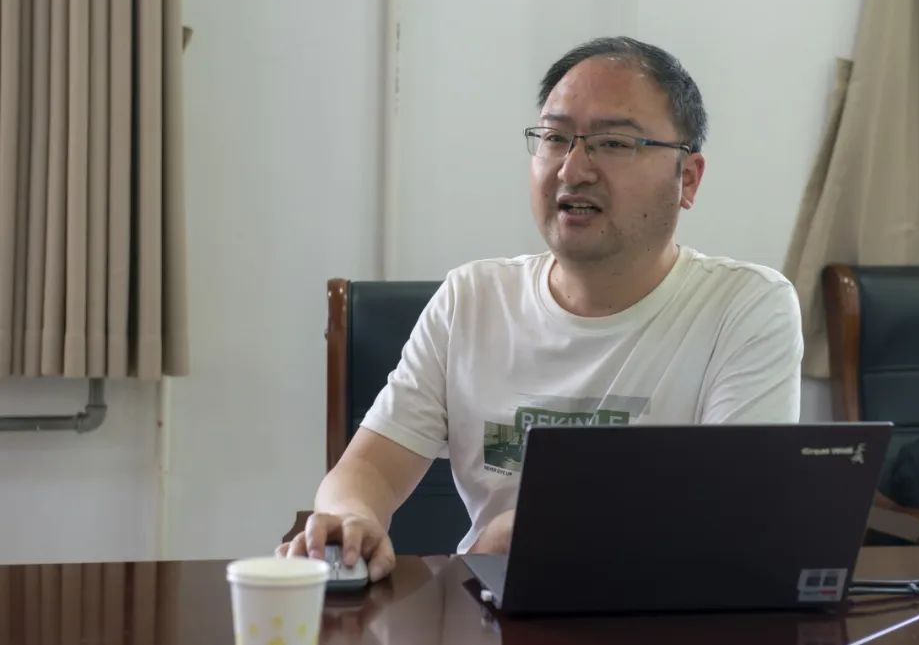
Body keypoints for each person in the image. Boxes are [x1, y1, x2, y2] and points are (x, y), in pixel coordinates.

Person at [278, 37, 803, 581]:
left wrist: (549, 529)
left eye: (614, 143)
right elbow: (370, 467)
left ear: (687, 178)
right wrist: (351, 517)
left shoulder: (744, 308)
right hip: (486, 607)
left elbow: (740, 512)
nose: (573, 169)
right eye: (555, 138)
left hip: (663, 609)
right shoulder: (472, 299)